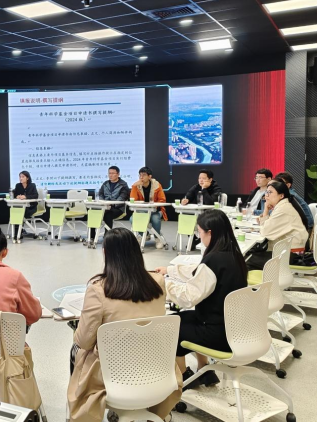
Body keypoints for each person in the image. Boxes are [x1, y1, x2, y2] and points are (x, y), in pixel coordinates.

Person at [68, 228, 181, 422]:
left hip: (113, 375)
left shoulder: (98, 290)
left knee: (75, 350)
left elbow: (85, 341)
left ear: (106, 253)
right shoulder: (157, 281)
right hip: (156, 368)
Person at [155, 210, 248, 388]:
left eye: (199, 232)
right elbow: (199, 272)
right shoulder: (233, 254)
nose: (199, 237)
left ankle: (184, 378)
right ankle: (204, 370)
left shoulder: (213, 259)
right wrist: (170, 270)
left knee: (170, 327)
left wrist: (164, 285)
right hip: (234, 327)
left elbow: (188, 298)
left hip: (218, 334)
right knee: (181, 318)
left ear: (210, 233)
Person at [246, 179, 309, 271]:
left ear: (281, 195)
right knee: (250, 255)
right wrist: (266, 212)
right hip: (286, 251)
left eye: (270, 192)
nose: (266, 195)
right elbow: (267, 226)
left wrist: (265, 210)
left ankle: (264, 280)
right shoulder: (282, 206)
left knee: (246, 260)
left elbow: (265, 231)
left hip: (290, 254)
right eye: (266, 192)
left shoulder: (283, 209)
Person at [129, 167, 168, 248]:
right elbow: (133, 200)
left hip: (155, 210)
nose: (141, 177)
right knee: (132, 219)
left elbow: (162, 200)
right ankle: (144, 235)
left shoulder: (157, 185)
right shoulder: (136, 186)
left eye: (143, 175)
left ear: (149, 176)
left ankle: (157, 237)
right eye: (140, 175)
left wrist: (154, 205)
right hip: (141, 211)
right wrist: (134, 187)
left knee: (155, 219)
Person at [13, 171, 38, 237]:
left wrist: (25, 197)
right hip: (21, 207)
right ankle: (17, 232)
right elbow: (14, 194)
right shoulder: (18, 185)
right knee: (16, 212)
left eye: (23, 177)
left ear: (27, 178)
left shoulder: (32, 185)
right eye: (20, 177)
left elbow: (35, 195)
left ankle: (18, 232)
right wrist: (17, 196)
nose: (21, 178)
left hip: (31, 207)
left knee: (21, 214)